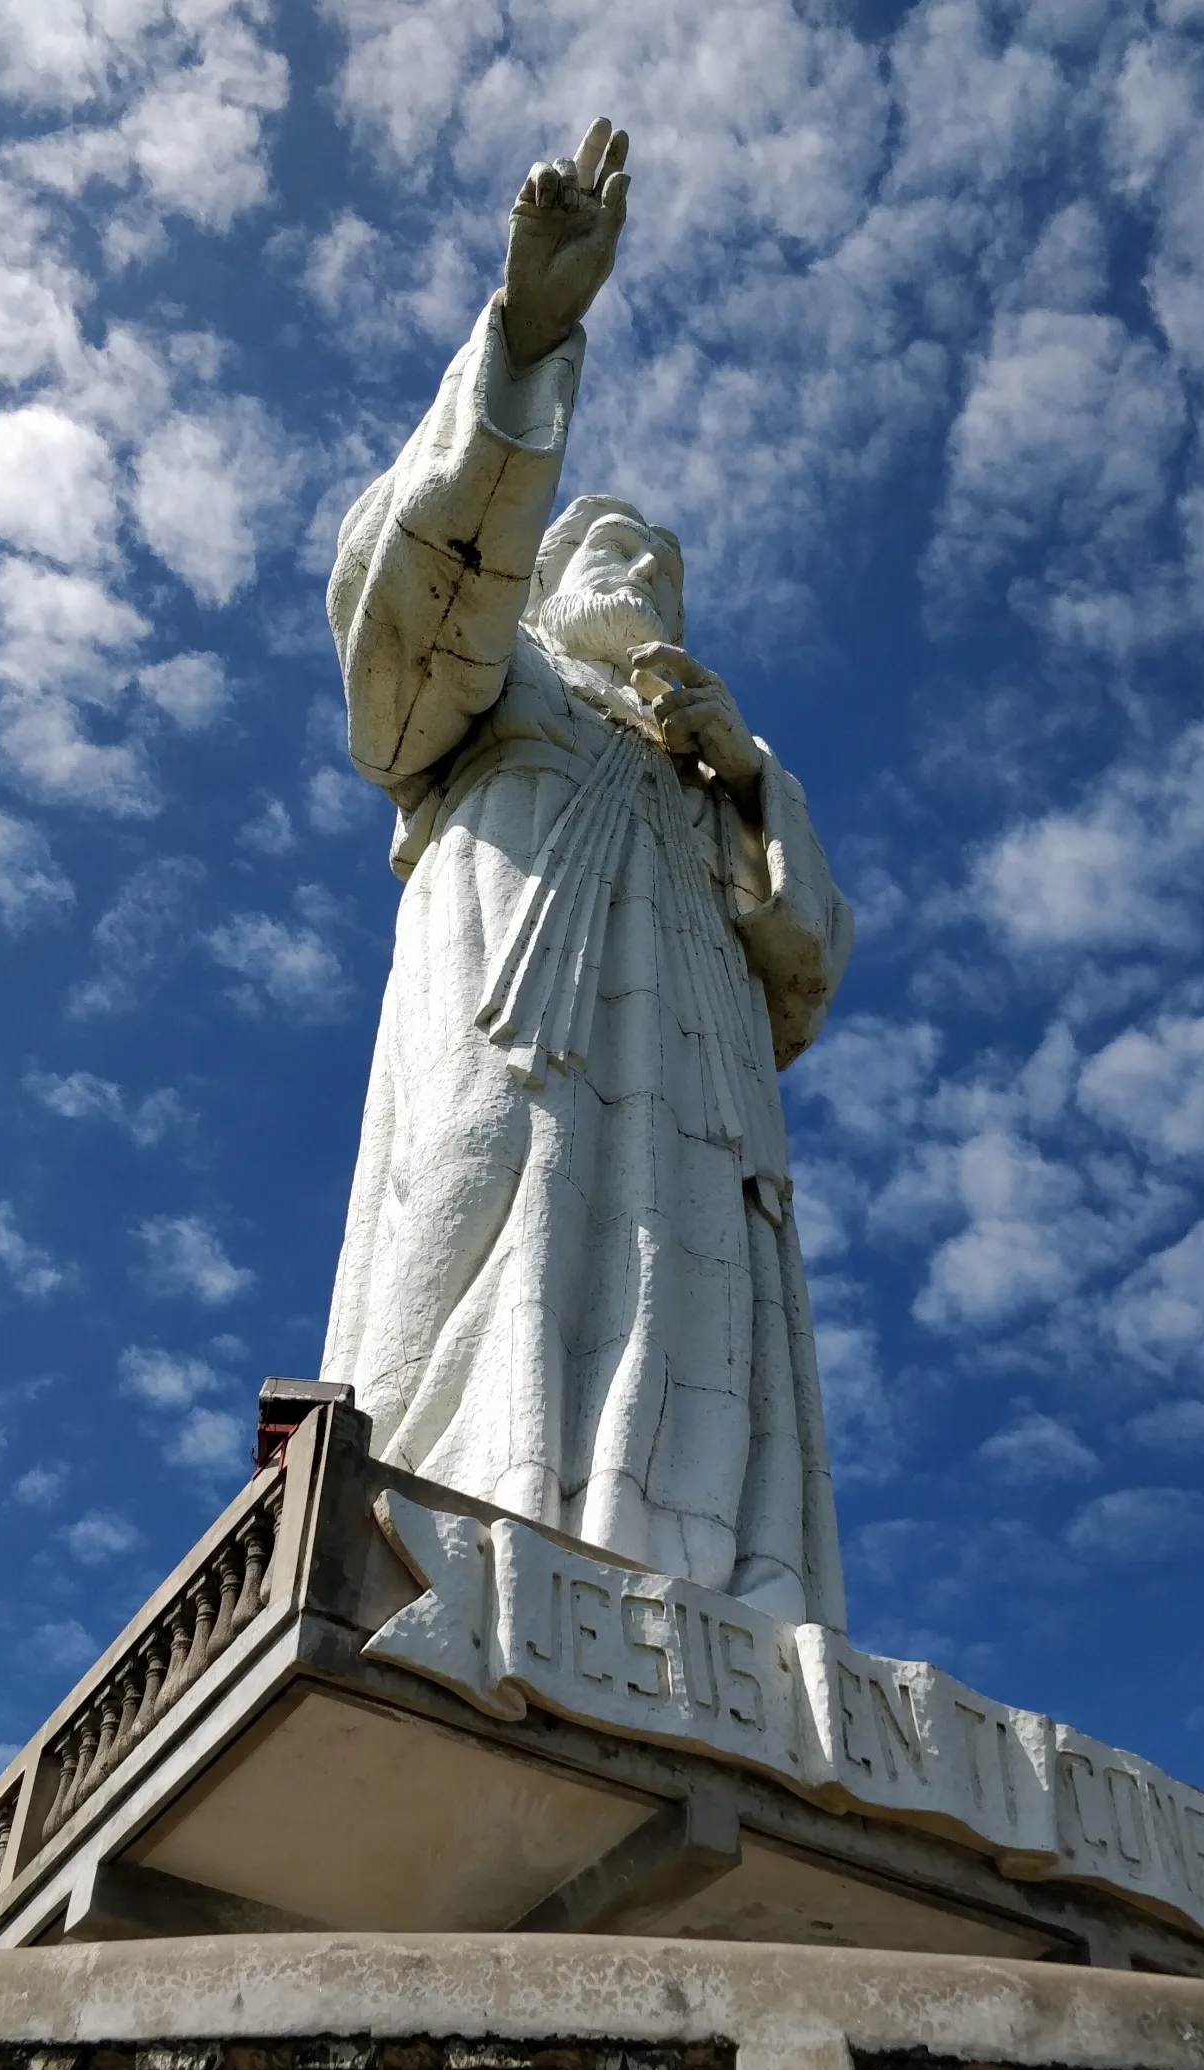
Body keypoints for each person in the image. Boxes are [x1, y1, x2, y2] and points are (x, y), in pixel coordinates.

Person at [322, 119, 854, 1629]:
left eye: (659, 568)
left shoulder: (715, 782)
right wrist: (528, 339)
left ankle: (716, 1607)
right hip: (516, 1066)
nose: (639, 574)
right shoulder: (509, 682)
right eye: (607, 550)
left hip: (694, 1132)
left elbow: (804, 972)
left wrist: (746, 777)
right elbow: (405, 624)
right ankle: (438, 1565)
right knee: (469, 1289)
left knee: (696, 1329)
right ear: (547, 573)